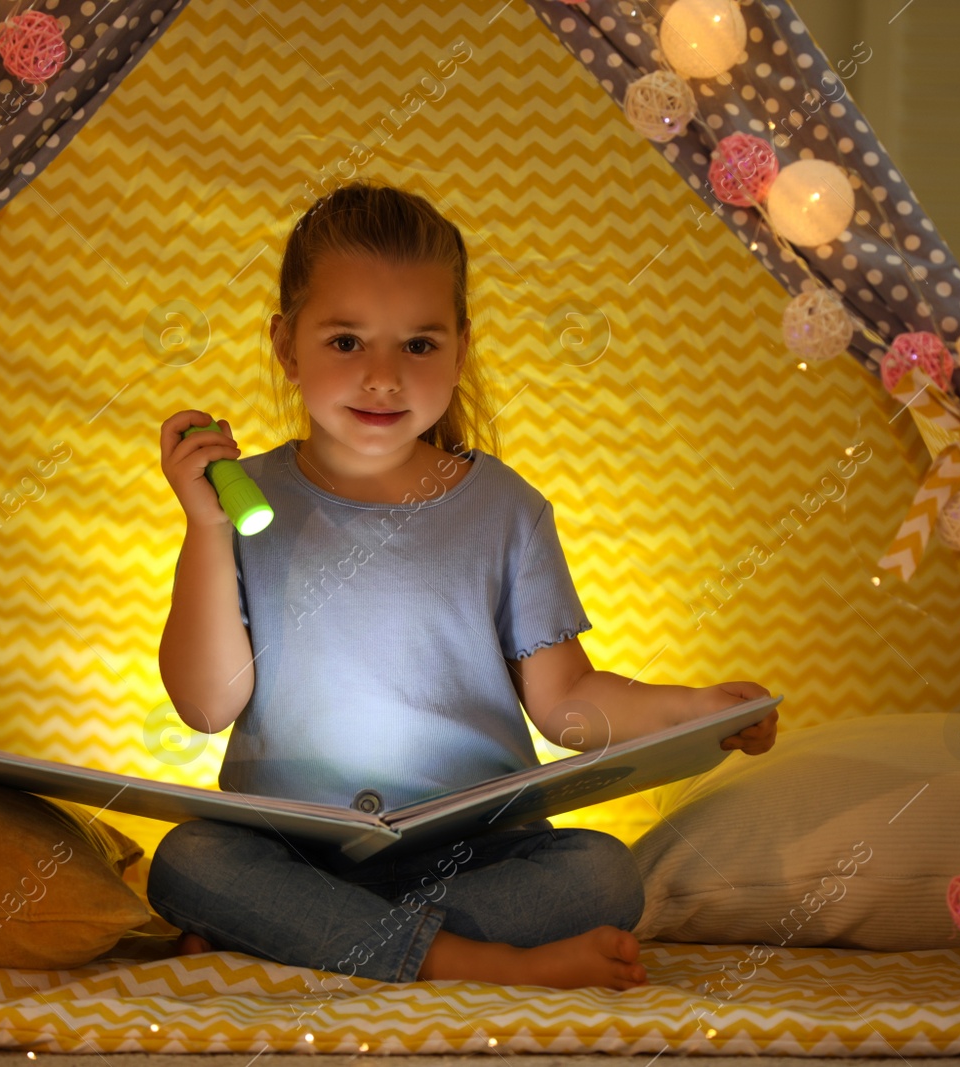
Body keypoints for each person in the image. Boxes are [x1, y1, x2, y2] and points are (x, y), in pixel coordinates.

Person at [152, 179, 776, 991]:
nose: (382, 377)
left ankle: (303, 937)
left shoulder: (507, 508)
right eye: (346, 342)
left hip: (472, 857)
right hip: (293, 851)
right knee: (190, 858)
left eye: (419, 345)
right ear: (285, 344)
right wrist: (205, 526)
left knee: (603, 872)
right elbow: (206, 707)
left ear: (461, 347)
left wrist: (694, 710)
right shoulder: (241, 504)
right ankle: (466, 961)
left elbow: (568, 701)